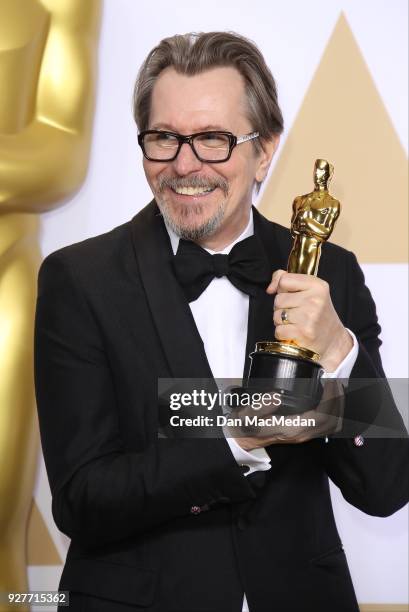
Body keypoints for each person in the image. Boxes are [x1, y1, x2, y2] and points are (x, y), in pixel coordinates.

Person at [34, 32, 408, 612]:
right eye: (164, 138)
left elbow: (386, 488)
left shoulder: (329, 270)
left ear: (265, 150)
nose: (184, 165)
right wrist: (238, 434)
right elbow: (82, 498)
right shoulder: (79, 280)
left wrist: (341, 353)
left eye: (213, 139)